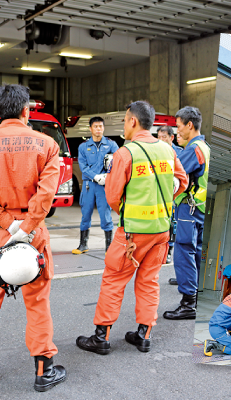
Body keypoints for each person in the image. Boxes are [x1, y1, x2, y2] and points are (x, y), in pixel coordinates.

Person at [0, 84, 66, 392]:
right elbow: (47, 193)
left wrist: (8, 225)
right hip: (33, 234)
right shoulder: (47, 144)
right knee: (37, 302)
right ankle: (42, 369)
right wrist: (25, 227)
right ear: (26, 111)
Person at [76, 101, 188, 355]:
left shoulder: (126, 153)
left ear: (133, 121)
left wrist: (129, 210)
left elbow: (113, 196)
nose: (123, 126)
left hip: (133, 233)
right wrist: (163, 203)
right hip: (161, 231)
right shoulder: (167, 150)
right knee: (149, 282)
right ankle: (144, 335)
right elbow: (182, 181)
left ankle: (101, 337)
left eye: (125, 120)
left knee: (114, 280)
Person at [163, 106, 210, 321]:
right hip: (198, 208)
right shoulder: (204, 146)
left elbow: (175, 174)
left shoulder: (193, 149)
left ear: (190, 125)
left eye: (179, 126)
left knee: (183, 252)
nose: (176, 132)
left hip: (188, 209)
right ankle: (194, 298)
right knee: (196, 253)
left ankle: (188, 304)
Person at [72, 116, 119, 254]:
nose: (99, 129)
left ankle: (109, 246)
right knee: (85, 214)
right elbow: (83, 166)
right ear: (90, 128)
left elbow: (118, 161)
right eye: (96, 126)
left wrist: (107, 176)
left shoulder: (111, 145)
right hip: (89, 185)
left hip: (104, 186)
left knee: (105, 216)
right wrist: (96, 176)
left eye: (101, 126)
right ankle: (83, 244)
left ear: (103, 128)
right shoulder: (83, 147)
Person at [156, 125, 182, 269]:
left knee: (172, 224)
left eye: (164, 137)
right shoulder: (155, 153)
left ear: (171, 138)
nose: (160, 140)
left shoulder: (179, 153)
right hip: (159, 195)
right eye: (158, 137)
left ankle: (169, 251)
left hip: (174, 195)